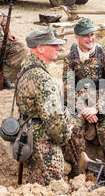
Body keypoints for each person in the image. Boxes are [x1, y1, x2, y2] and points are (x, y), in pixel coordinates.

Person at [15, 26, 73, 186]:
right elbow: (54, 122)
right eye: (53, 45)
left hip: (29, 137)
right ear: (40, 48)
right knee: (51, 188)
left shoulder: (27, 67)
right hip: (44, 145)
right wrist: (66, 134)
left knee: (36, 184)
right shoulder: (42, 79)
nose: (58, 48)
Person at [62, 18, 105, 170]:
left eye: (92, 35)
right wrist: (84, 109)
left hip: (104, 102)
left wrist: (96, 108)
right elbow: (68, 89)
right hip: (80, 103)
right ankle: (79, 171)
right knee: (72, 131)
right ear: (77, 37)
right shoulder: (70, 59)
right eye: (85, 36)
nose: (90, 39)